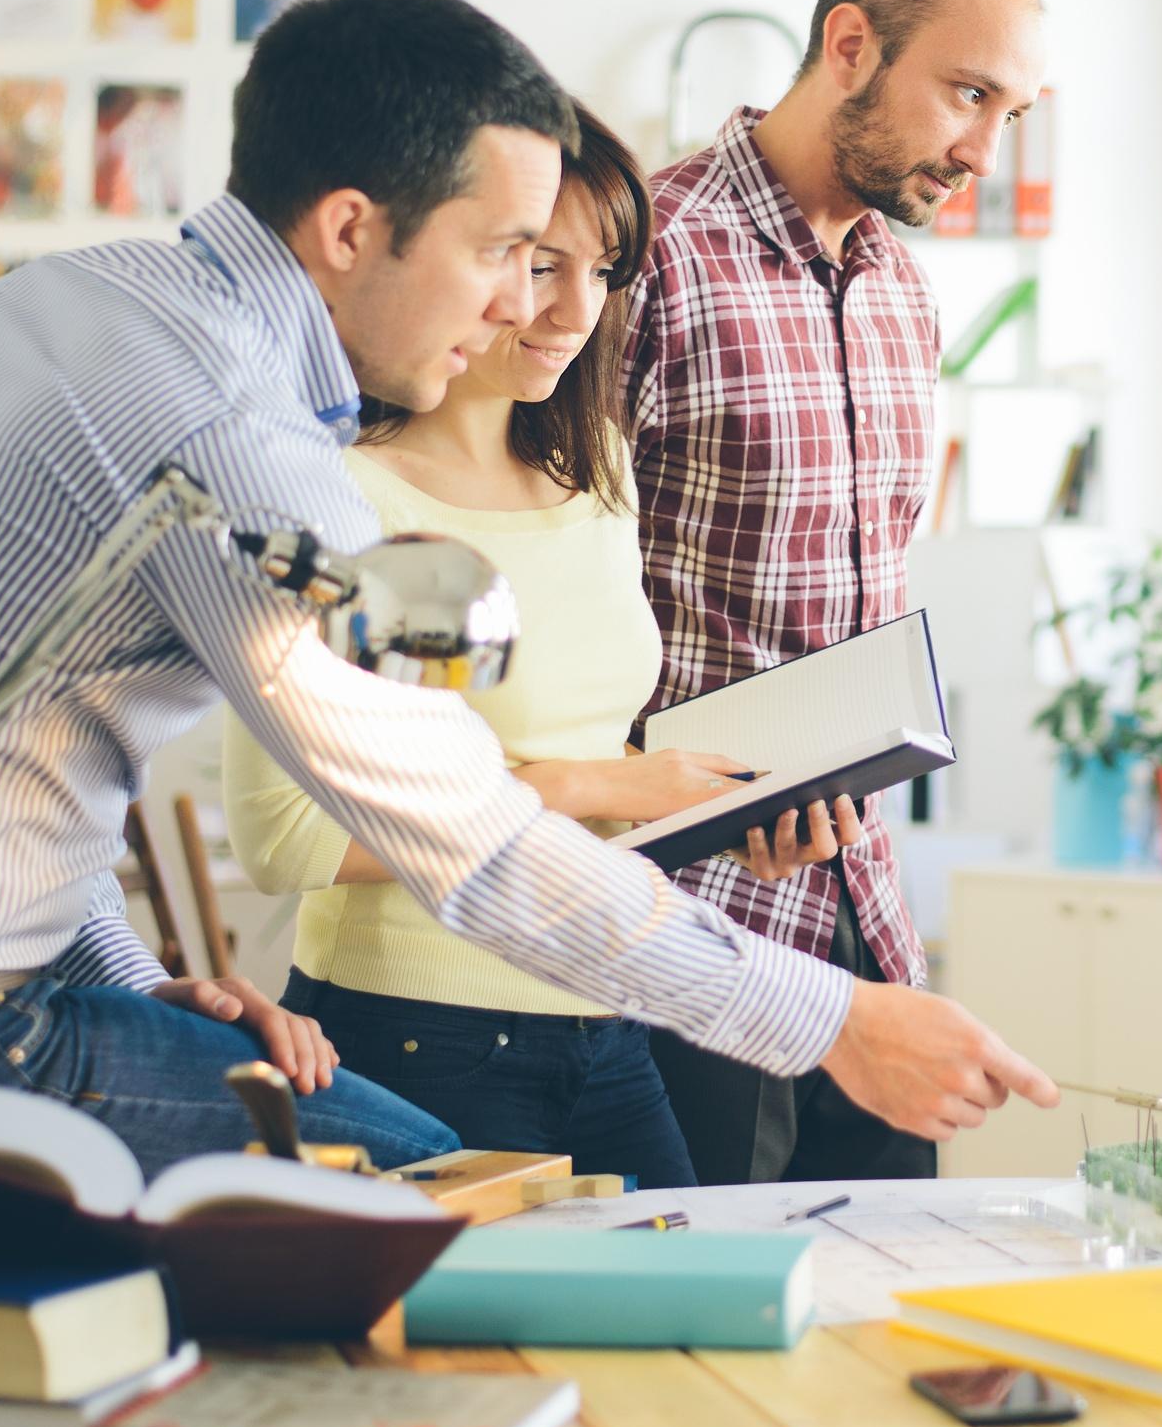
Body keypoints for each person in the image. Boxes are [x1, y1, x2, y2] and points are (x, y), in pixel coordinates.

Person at [0, 0, 1056, 1210]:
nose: (525, 302)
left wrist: (116, 972)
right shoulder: (243, 441)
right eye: (505, 248)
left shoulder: (50, 308)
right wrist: (831, 1021)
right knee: (492, 1207)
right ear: (350, 227)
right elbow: (477, 844)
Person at [622, 0, 1041, 1427]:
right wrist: (700, 779)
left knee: (911, 1397)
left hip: (861, 903)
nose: (984, 146)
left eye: (1012, 111)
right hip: (680, 938)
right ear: (849, 42)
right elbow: (571, 597)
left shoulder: (905, 294)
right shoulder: (640, 254)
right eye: (965, 94)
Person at [223, 101, 863, 1189]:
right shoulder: (338, 493)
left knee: (675, 1338)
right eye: (540, 263)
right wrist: (604, 781)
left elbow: (594, 772)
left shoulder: (599, 472)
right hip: (415, 1029)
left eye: (605, 270)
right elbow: (280, 841)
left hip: (605, 1011)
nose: (572, 310)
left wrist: (711, 814)